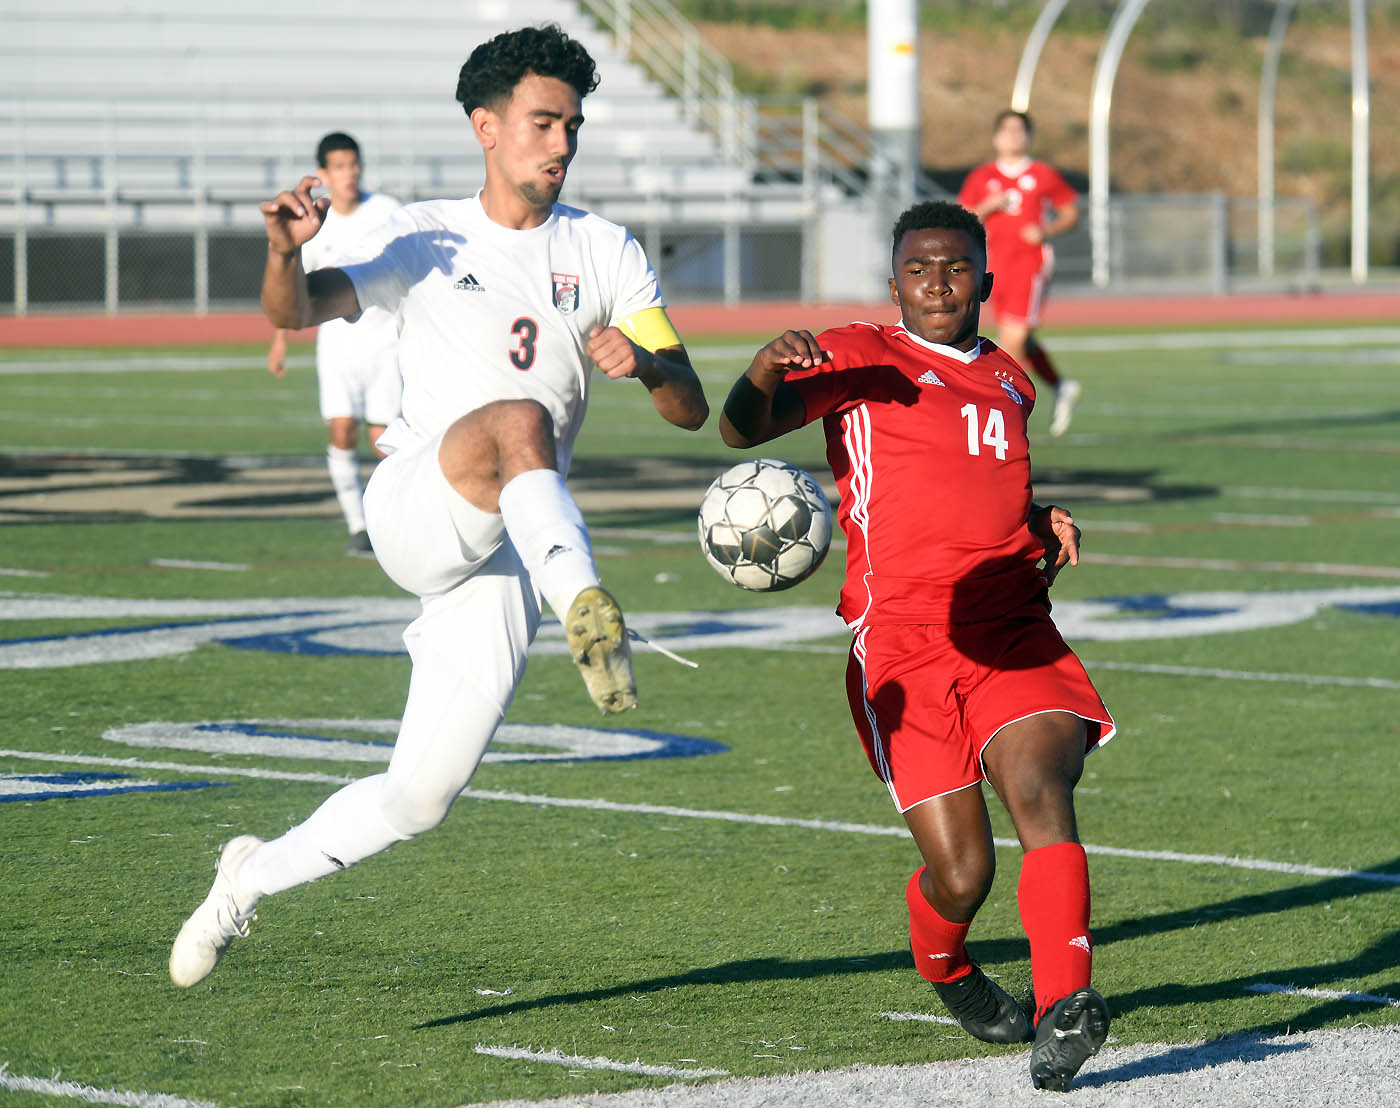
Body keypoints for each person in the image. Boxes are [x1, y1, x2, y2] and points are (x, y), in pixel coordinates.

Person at [171, 24, 708, 989]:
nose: (561, 143)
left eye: (573, 125)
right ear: (486, 128)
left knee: (420, 797)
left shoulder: (608, 250)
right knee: (514, 417)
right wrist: (284, 253)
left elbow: (690, 404)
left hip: (505, 548)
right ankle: (587, 608)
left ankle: (245, 880)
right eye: (543, 122)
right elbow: (291, 312)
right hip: (420, 505)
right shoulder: (418, 235)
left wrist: (650, 361)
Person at [719, 200, 1116, 1092]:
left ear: (985, 276)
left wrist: (1036, 515)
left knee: (1040, 785)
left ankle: (1066, 1006)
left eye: (955, 267)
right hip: (902, 644)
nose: (937, 283)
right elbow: (740, 430)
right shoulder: (861, 354)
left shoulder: (1012, 380)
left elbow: (980, 481)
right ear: (893, 282)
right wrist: (760, 366)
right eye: (919, 269)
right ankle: (945, 969)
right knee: (963, 873)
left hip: (1011, 626)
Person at [266, 132, 403, 557]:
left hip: (386, 343)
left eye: (354, 164)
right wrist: (280, 339)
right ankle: (357, 524)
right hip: (338, 346)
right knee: (342, 429)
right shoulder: (315, 220)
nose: (350, 173)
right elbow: (296, 288)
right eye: (340, 166)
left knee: (386, 440)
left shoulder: (388, 213)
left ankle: (395, 524)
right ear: (324, 173)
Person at [958, 109, 1082, 437]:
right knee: (1018, 337)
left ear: (1029, 137)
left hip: (1030, 264)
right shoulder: (982, 177)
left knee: (1012, 341)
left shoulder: (1042, 175)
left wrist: (1047, 230)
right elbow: (963, 215)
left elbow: (1070, 211)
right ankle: (1060, 385)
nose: (1013, 137)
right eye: (1007, 131)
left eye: (1019, 131)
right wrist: (988, 205)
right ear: (996, 138)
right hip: (992, 265)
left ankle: (1004, 420)